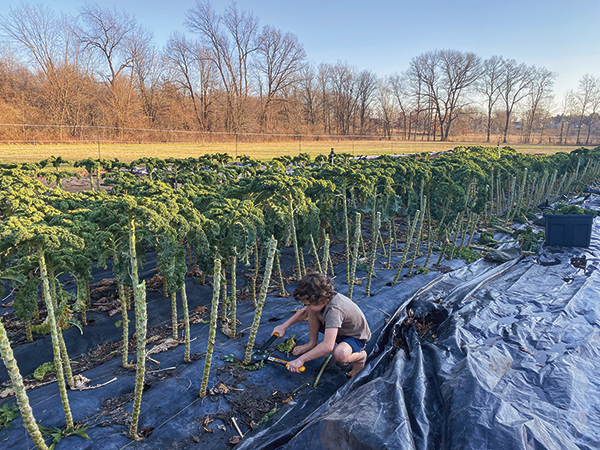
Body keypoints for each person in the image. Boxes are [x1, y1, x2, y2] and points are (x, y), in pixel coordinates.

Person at [272, 273, 371, 378]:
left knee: (340, 354)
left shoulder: (335, 310)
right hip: (339, 329)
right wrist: (283, 326)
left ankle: (361, 357)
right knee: (312, 311)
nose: (307, 306)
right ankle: (312, 343)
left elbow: (327, 347)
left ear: (322, 300)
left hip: (355, 337)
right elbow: (305, 312)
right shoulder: (323, 298)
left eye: (309, 304)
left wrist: (301, 359)